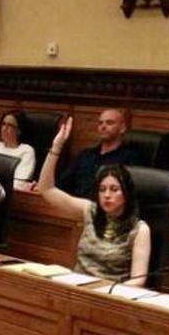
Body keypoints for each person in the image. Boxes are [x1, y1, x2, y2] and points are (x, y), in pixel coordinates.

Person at [38, 116, 151, 285]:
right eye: (102, 189)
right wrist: (56, 146)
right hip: (77, 287)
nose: (106, 195)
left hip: (110, 295)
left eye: (114, 189)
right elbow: (47, 189)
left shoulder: (139, 229)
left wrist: (107, 294)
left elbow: (138, 280)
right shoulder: (90, 210)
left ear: (126, 193)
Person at [56, 108, 145, 198]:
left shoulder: (131, 157)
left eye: (109, 123)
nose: (103, 126)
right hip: (78, 206)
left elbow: (130, 193)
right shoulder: (85, 155)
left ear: (122, 128)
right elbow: (61, 185)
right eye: (100, 123)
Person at [0, 109, 36, 190]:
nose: (5, 128)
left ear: (19, 131)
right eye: (3, 124)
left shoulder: (26, 151)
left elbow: (19, 182)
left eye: (10, 125)